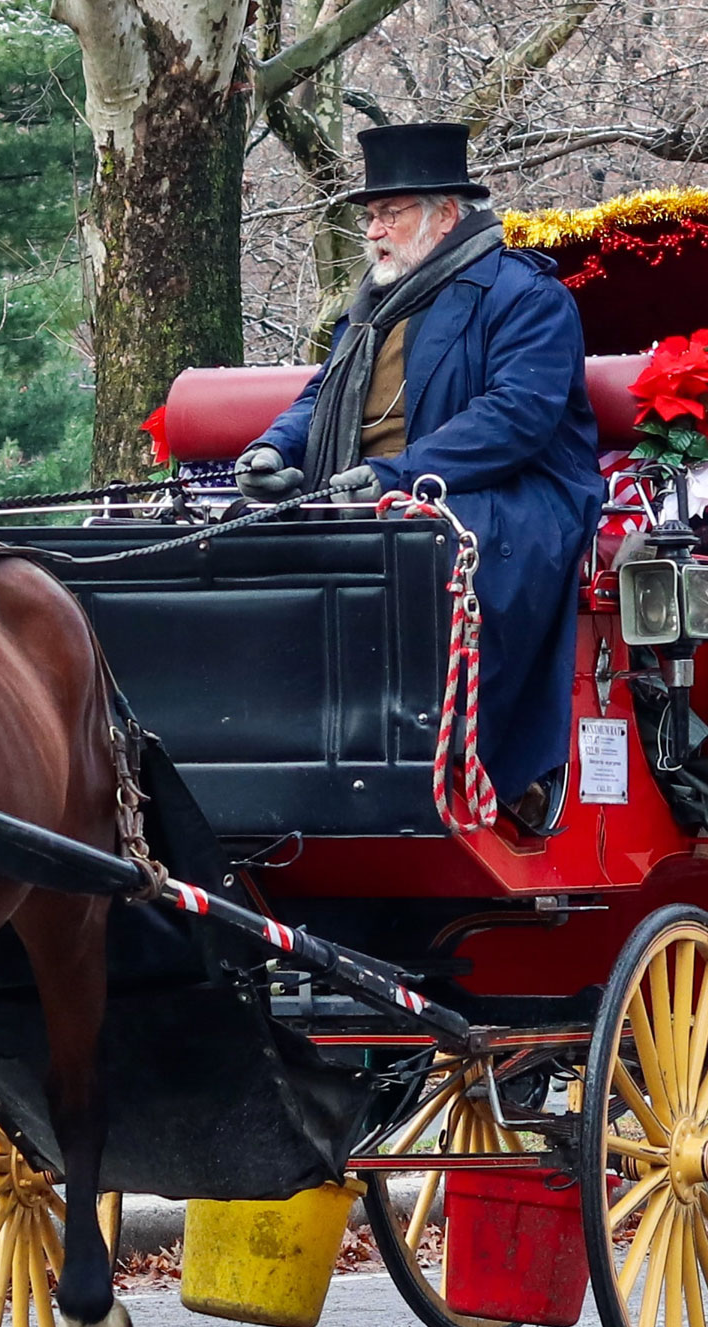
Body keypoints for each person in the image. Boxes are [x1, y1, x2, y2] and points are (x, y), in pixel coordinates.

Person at [233, 121, 603, 834]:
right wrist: (273, 450)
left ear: (446, 215)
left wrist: (396, 476)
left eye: (390, 212)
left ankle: (484, 768)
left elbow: (516, 419)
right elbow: (319, 396)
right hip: (371, 489)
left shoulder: (525, 296)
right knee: (239, 544)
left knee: (433, 544)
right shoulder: (371, 309)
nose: (374, 230)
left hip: (513, 494)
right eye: (371, 215)